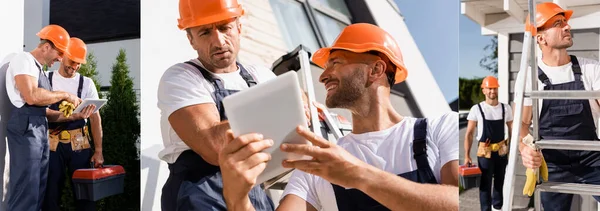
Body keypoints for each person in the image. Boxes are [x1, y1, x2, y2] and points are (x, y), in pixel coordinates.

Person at [218, 23, 460, 211]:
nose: (323, 76)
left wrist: (359, 175)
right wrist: (237, 198)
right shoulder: (319, 163)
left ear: (376, 69)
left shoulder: (439, 129)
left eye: (335, 62)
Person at [157, 0, 283, 210]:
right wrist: (278, 105)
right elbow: (215, 146)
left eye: (225, 28)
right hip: (200, 194)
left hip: (256, 195)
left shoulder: (260, 76)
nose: (219, 41)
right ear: (191, 39)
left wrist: (301, 100)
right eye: (205, 32)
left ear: (239, 28)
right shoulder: (180, 78)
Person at [517, 2, 600, 210]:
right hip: (551, 162)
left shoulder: (590, 69)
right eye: (558, 23)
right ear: (541, 37)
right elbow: (522, 123)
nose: (567, 27)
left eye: (566, 22)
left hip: (592, 156)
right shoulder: (529, 77)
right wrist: (524, 148)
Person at [4, 24, 81, 211]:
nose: (61, 59)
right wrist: (63, 94)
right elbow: (31, 96)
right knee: (26, 190)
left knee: (38, 190)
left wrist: (72, 116)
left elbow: (43, 111)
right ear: (46, 47)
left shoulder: (39, 70)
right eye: (60, 53)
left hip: (38, 128)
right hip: (26, 130)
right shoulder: (24, 60)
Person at [42, 37, 102, 211]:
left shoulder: (87, 83)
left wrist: (98, 151)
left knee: (85, 195)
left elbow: (95, 118)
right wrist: (71, 116)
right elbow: (43, 113)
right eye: (72, 61)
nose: (75, 66)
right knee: (50, 194)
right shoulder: (46, 78)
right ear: (62, 56)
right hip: (52, 144)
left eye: (78, 63)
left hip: (79, 144)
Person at [464, 76, 513, 211]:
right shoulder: (477, 109)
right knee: (485, 183)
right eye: (489, 88)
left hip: (501, 150)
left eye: (494, 88)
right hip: (484, 151)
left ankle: (497, 207)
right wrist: (467, 155)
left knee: (500, 181)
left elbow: (512, 130)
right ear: (484, 90)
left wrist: (513, 148)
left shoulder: (506, 108)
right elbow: (469, 133)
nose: (492, 91)